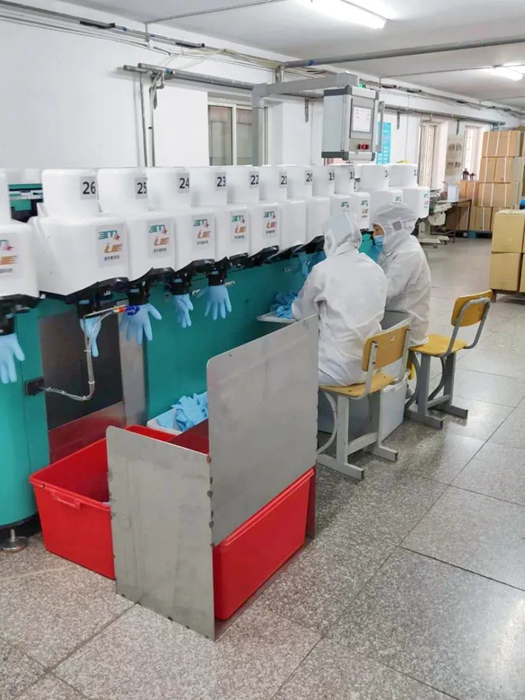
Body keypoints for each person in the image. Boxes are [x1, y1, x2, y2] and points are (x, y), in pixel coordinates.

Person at [292, 212, 387, 386]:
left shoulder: (323, 270)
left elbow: (303, 314)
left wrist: (292, 307)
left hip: (334, 370)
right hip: (371, 365)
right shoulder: (375, 268)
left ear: (329, 239)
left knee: (285, 365)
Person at [372, 202, 431, 347]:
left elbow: (386, 292)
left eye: (377, 230)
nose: (374, 235)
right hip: (397, 316)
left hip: (406, 326)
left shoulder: (408, 254)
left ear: (393, 228)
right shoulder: (398, 246)